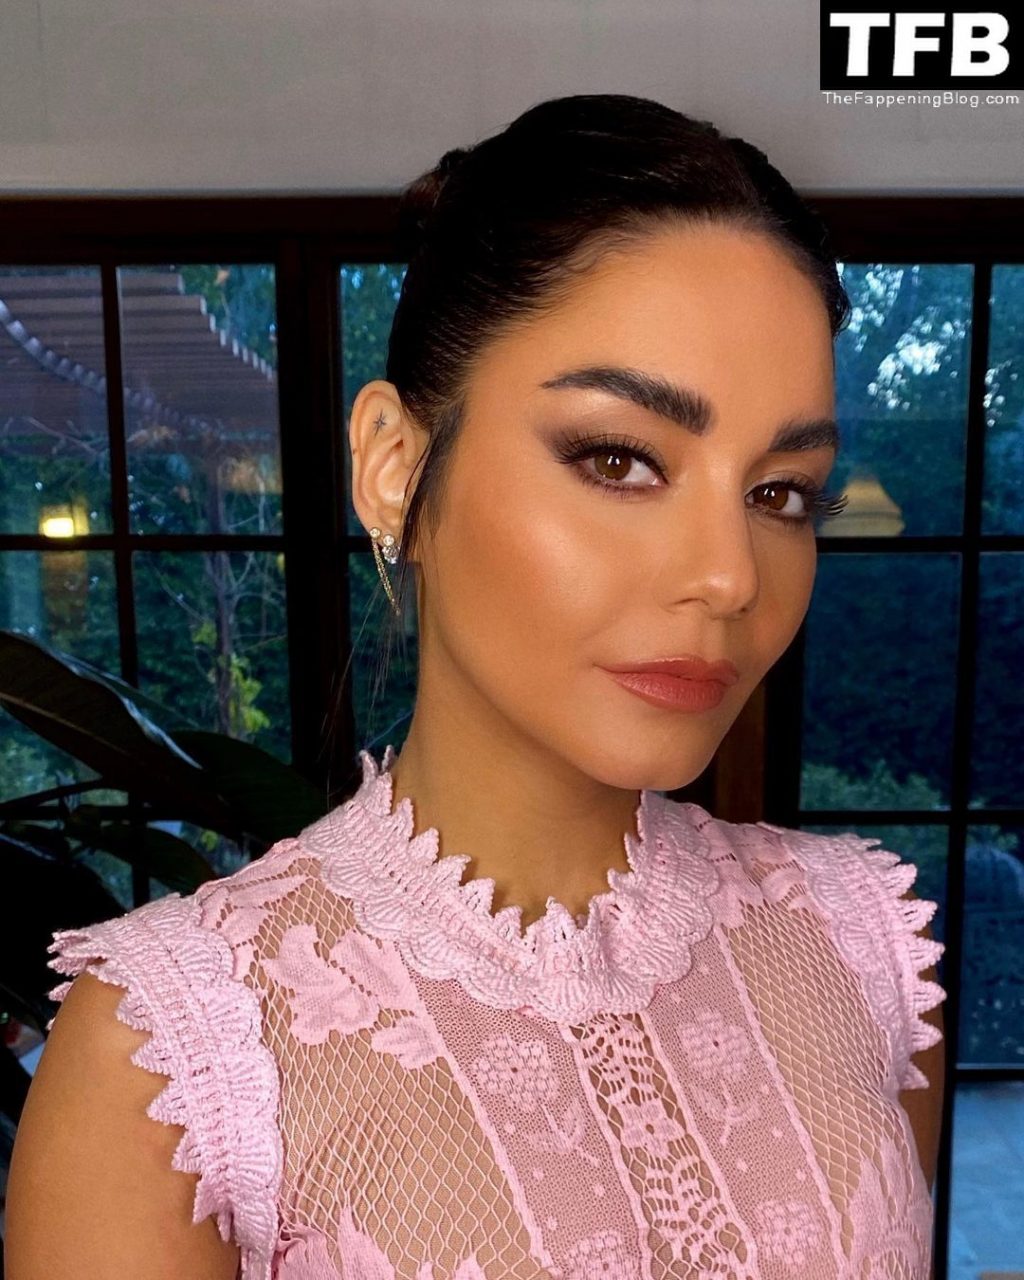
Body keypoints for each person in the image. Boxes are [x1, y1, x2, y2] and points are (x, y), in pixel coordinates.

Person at [6, 92, 945, 1279]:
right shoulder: (173, 1053)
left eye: (780, 492)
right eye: (619, 458)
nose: (727, 574)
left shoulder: (864, 949)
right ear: (395, 467)